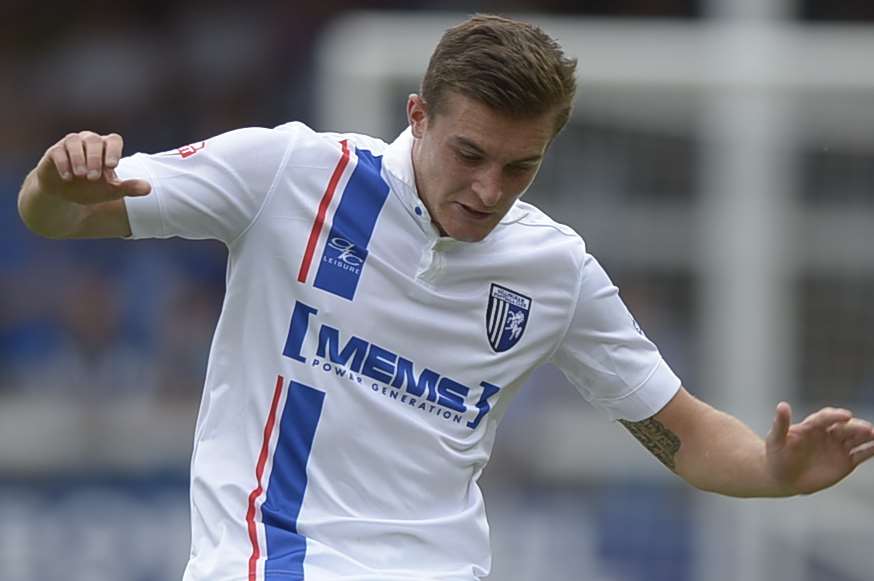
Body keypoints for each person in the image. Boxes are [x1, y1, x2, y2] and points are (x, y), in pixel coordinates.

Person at [17, 13, 874, 581]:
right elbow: (62, 218)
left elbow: (681, 432)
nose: (489, 187)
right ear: (418, 115)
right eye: (470, 153)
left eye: (520, 166)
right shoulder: (290, 172)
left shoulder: (554, 270)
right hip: (271, 562)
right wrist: (58, 180)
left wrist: (775, 470)